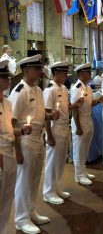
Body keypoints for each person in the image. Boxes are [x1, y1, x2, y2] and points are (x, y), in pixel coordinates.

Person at [9, 54, 57, 234]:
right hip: (25, 140)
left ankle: (31, 211)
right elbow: (11, 124)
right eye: (37, 69)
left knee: (36, 178)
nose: (40, 72)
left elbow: (40, 115)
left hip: (38, 138)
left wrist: (50, 117)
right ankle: (21, 219)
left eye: (40, 69)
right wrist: (18, 151)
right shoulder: (19, 92)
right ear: (26, 70)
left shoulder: (37, 90)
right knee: (24, 181)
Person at [43, 61, 83, 204]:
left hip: (64, 127)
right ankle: (48, 191)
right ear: (56, 74)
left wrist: (75, 104)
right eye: (64, 73)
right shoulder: (50, 90)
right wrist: (49, 135)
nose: (66, 76)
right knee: (52, 162)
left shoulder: (64, 89)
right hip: (55, 128)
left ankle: (56, 187)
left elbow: (66, 107)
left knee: (60, 162)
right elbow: (46, 114)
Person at [0, 60, 32, 234]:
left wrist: (22, 131)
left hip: (9, 153)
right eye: (4, 77)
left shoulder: (6, 102)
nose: (9, 80)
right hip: (0, 157)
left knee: (6, 198)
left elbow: (8, 130)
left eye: (9, 77)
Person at [71, 63, 103, 185]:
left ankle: (83, 171)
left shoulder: (88, 88)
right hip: (80, 121)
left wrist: (98, 100)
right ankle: (78, 175)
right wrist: (78, 127)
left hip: (88, 120)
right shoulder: (77, 88)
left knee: (85, 148)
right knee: (79, 149)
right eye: (88, 73)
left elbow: (90, 104)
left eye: (90, 72)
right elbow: (75, 108)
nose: (90, 74)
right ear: (81, 74)